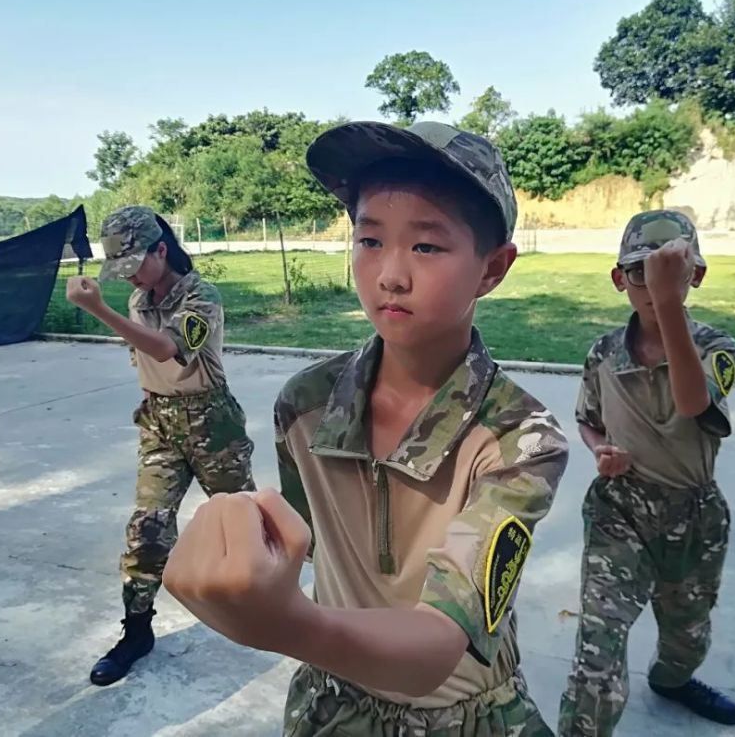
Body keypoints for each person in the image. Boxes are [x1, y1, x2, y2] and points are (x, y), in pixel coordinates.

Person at [161, 121, 570, 735]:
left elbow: (438, 647)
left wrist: (287, 624)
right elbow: (310, 547)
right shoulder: (305, 405)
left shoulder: (518, 438)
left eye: (427, 247)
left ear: (493, 268)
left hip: (462, 717)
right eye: (370, 240)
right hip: (330, 703)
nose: (390, 275)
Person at [557, 210, 735, 735]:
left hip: (694, 514)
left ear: (696, 275)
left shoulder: (717, 348)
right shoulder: (603, 353)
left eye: (671, 269)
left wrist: (667, 304)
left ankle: (673, 679)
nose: (653, 284)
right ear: (619, 279)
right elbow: (587, 421)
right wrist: (601, 450)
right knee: (599, 645)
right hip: (620, 509)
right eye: (640, 271)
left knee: (688, 633)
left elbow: (692, 403)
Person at [65, 206, 256, 686]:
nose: (129, 280)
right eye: (120, 270)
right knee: (147, 530)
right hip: (160, 423)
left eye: (134, 266)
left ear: (161, 251)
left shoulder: (201, 297)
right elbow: (147, 360)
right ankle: (136, 632)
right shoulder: (139, 299)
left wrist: (97, 310)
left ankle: (274, 605)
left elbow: (166, 349)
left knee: (247, 521)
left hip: (212, 424)